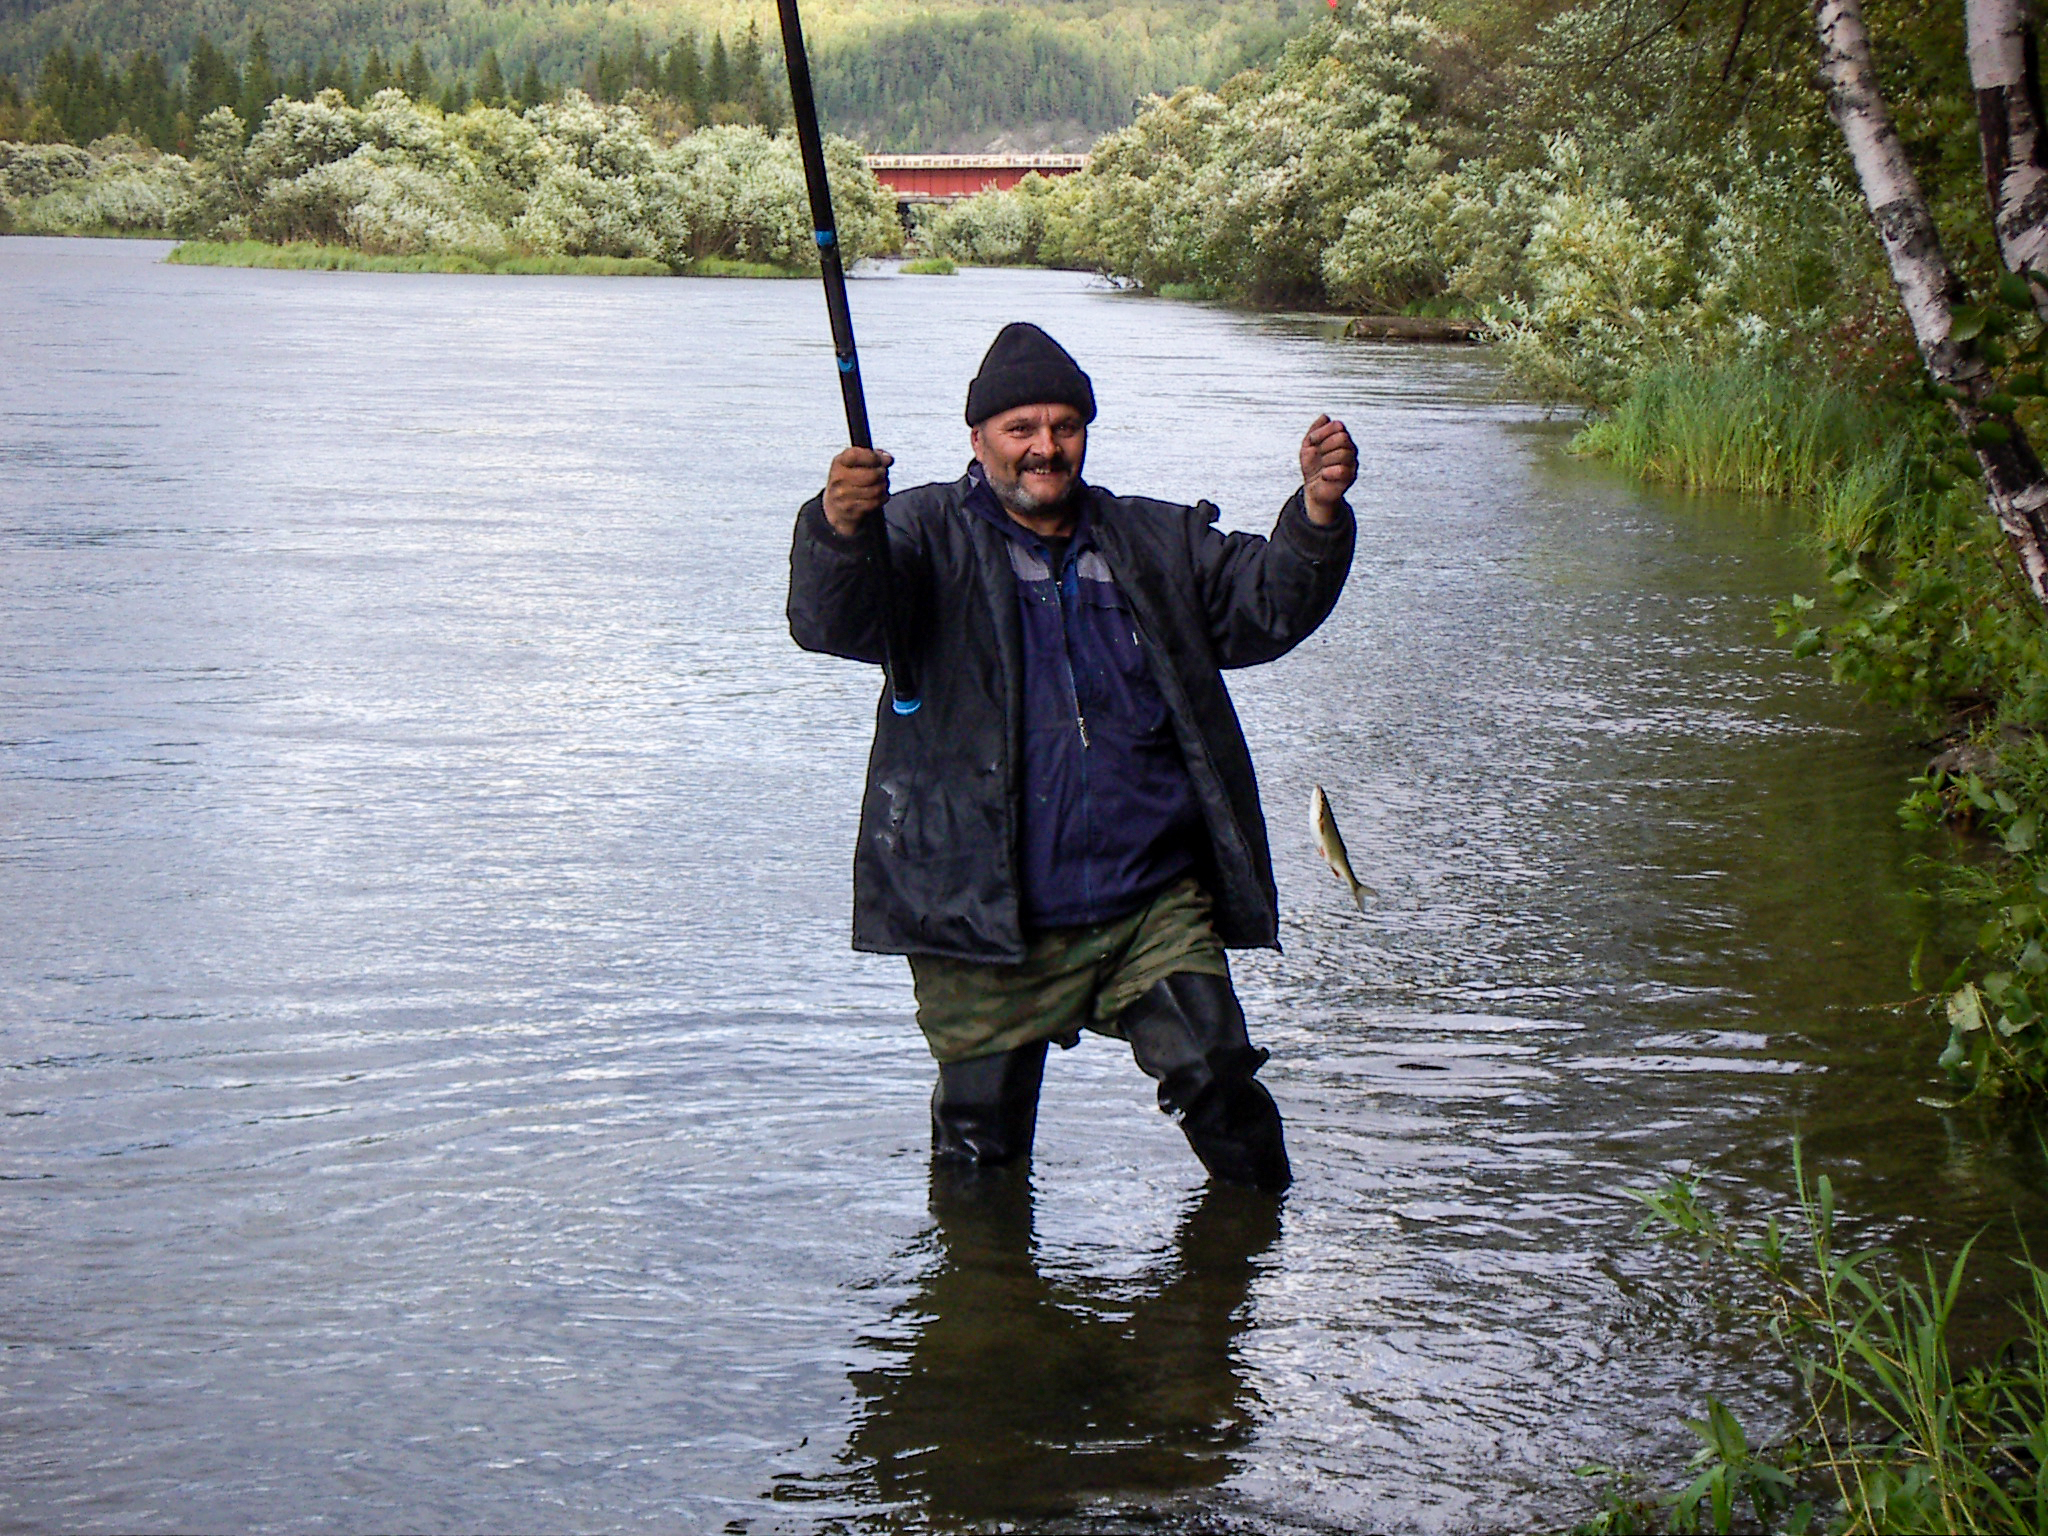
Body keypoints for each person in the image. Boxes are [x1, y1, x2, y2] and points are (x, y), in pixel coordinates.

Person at [788, 321, 1356, 1193]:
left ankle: (1254, 1274)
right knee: (982, 1160)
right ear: (978, 440)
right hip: (983, 923)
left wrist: (1316, 513)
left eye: (1065, 426)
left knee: (1220, 1082)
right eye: (1021, 429)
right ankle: (988, 1318)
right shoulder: (917, 535)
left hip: (1145, 905)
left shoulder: (1152, 540)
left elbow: (1264, 608)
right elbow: (831, 622)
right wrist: (835, 526)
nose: (1045, 448)